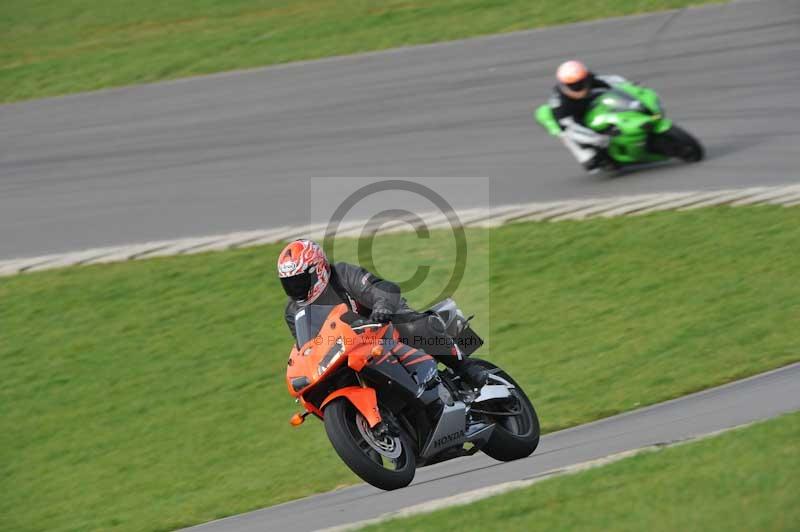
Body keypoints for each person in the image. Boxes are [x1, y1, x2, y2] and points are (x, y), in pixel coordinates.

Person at [277, 239, 489, 388]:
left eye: (299, 281)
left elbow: (381, 289)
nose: (295, 289)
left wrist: (382, 308)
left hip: (383, 326)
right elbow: (308, 347)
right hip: (346, 351)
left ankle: (466, 368)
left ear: (318, 269)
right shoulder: (293, 311)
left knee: (414, 327)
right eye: (289, 283)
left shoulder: (342, 274)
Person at [538, 60, 629, 172]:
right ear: (564, 84)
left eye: (581, 82)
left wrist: (628, 86)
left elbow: (611, 81)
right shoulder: (560, 104)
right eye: (573, 85)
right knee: (591, 159)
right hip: (573, 119)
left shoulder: (587, 78)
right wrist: (599, 139)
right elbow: (570, 129)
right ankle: (584, 155)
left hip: (589, 104)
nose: (578, 86)